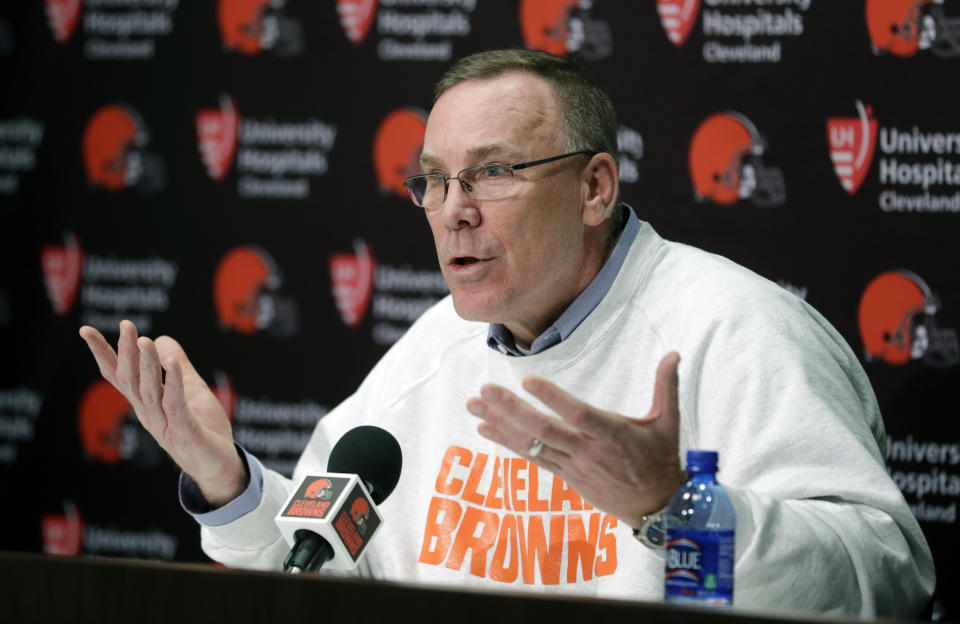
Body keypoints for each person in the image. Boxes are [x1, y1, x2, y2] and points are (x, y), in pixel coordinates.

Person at [79, 49, 934, 616]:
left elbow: (886, 584)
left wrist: (674, 513)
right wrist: (228, 483)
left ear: (595, 188)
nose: (455, 211)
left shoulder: (738, 333)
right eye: (435, 180)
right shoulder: (431, 350)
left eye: (493, 172)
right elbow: (323, 569)